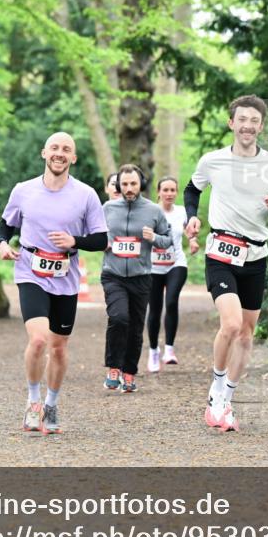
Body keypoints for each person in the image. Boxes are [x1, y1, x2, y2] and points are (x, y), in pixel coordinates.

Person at [184, 95, 268, 432]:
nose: (247, 125)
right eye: (242, 119)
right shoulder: (213, 160)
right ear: (232, 123)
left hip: (256, 256)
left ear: (261, 126)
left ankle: (227, 398)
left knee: (246, 335)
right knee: (230, 325)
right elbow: (192, 189)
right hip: (221, 252)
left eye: (254, 121)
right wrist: (191, 218)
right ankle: (216, 389)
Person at [0, 132, 108, 434]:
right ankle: (33, 401)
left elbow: (101, 239)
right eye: (55, 148)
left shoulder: (86, 195)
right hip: (30, 270)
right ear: (44, 153)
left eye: (67, 150)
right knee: (38, 340)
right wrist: (2, 244)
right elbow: (7, 223)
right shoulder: (24, 190)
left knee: (58, 349)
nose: (60, 153)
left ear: (73, 158)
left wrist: (75, 240)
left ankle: (51, 403)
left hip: (65, 277)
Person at [101, 164, 172, 393]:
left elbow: (168, 239)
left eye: (133, 184)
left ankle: (129, 372)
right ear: (118, 185)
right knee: (119, 317)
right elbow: (93, 234)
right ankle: (113, 367)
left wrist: (154, 238)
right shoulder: (108, 208)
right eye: (124, 184)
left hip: (141, 276)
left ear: (140, 183)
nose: (129, 188)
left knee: (135, 327)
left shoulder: (153, 210)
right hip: (113, 274)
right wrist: (102, 243)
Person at [146, 176, 200, 372]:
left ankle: (169, 349)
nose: (169, 194)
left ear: (176, 193)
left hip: (176, 263)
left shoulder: (182, 212)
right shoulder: (150, 212)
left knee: (171, 301)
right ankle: (153, 351)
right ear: (158, 192)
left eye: (172, 190)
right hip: (152, 267)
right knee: (155, 309)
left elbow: (189, 232)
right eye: (165, 190)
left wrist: (193, 242)